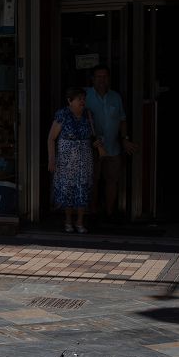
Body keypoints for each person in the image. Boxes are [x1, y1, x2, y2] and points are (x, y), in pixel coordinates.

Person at [85, 65, 136, 220]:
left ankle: (109, 213)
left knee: (112, 180)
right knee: (92, 180)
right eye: (98, 77)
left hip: (113, 147)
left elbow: (122, 120)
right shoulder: (86, 96)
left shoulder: (116, 97)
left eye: (105, 76)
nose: (102, 80)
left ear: (109, 79)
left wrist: (125, 139)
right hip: (92, 147)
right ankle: (92, 213)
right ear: (93, 79)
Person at [48, 88, 101, 233]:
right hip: (67, 160)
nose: (82, 102)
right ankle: (68, 221)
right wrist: (51, 159)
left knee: (82, 188)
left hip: (84, 159)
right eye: (79, 99)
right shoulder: (63, 115)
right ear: (70, 101)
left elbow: (93, 135)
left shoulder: (88, 115)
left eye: (84, 99)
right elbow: (51, 138)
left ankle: (80, 222)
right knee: (68, 189)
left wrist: (97, 143)